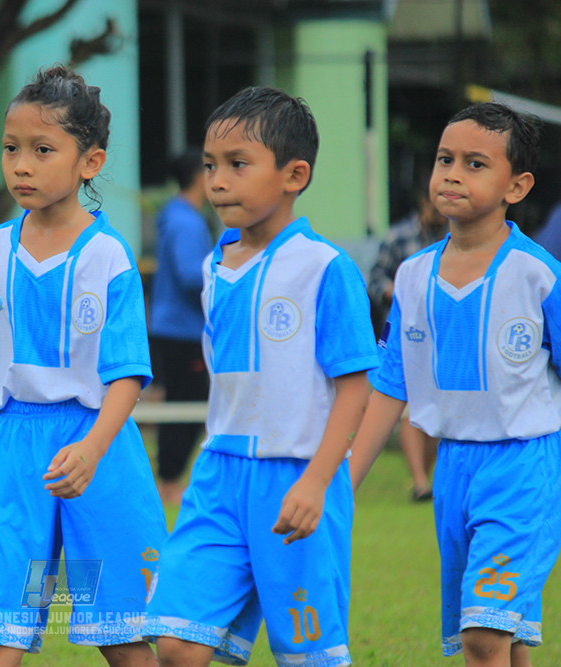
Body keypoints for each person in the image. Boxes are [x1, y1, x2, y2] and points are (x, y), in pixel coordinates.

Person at [145, 86, 378, 667]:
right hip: (218, 476)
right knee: (176, 643)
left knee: (305, 657)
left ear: (294, 174)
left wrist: (317, 482)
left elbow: (356, 385)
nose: (217, 180)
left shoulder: (325, 268)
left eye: (237, 165)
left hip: (295, 476)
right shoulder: (213, 265)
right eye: (210, 166)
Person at [0, 65, 168, 666]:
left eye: (43, 150)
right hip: (16, 452)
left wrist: (93, 450)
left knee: (118, 632)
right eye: (11, 148)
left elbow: (127, 376)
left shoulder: (108, 256)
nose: (21, 164)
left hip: (96, 447)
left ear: (89, 163)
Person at [350, 103, 561, 666]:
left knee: (483, 637)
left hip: (524, 469)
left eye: (474, 164)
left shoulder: (538, 275)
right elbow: (390, 385)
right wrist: (341, 481)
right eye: (445, 159)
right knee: (503, 634)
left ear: (517, 185)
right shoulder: (413, 277)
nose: (451, 174)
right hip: (453, 472)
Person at [367, 186, 448, 501]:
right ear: (424, 201)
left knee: (436, 413)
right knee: (409, 410)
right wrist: (394, 293)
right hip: (408, 339)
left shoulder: (456, 239)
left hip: (444, 340)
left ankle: (426, 478)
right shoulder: (399, 237)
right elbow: (374, 280)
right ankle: (419, 483)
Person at [148, 149, 219, 505]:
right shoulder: (186, 222)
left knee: (184, 404)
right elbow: (193, 275)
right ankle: (169, 483)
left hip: (175, 327)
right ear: (198, 177)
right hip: (182, 330)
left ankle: (169, 480)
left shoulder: (177, 215)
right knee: (184, 406)